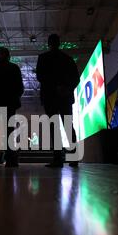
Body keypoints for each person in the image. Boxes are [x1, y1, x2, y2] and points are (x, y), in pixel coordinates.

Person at [36, 34, 80, 168]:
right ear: (59, 43)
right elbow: (76, 79)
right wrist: (65, 87)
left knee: (54, 127)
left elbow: (40, 76)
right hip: (65, 97)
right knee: (68, 125)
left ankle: (58, 159)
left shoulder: (43, 58)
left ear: (48, 43)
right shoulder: (67, 59)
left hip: (50, 97)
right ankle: (74, 157)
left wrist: (54, 86)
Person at [0, 47, 24, 168]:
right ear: (8, 56)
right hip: (9, 103)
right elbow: (20, 87)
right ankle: (10, 159)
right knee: (9, 131)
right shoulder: (14, 68)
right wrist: (16, 98)